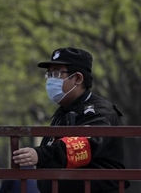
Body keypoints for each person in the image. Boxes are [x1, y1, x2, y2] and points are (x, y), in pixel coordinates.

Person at [12, 47, 128, 193]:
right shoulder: (63, 111)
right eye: (49, 74)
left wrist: (40, 155)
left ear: (78, 78)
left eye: (56, 73)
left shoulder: (100, 111)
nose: (50, 80)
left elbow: (83, 146)